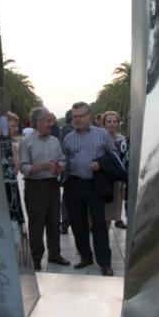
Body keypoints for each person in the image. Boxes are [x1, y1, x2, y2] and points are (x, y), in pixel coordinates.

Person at [63, 102, 118, 276]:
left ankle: (105, 263)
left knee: (99, 224)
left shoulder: (102, 135)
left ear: (89, 116)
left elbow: (114, 155)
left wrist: (100, 164)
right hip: (73, 183)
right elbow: (65, 159)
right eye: (75, 116)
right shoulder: (68, 138)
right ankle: (86, 257)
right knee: (78, 223)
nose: (77, 119)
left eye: (81, 116)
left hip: (94, 184)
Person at [19, 107, 70, 271]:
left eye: (52, 120)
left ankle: (55, 255)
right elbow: (24, 168)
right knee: (36, 224)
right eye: (48, 120)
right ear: (38, 122)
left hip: (53, 186)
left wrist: (59, 167)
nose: (51, 123)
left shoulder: (55, 141)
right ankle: (36, 258)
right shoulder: (26, 142)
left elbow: (62, 160)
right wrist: (43, 166)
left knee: (54, 222)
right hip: (35, 187)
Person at [101, 111, 127, 230]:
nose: (112, 124)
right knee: (100, 214)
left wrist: (124, 182)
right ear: (104, 123)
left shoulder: (121, 139)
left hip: (116, 181)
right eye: (109, 121)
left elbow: (124, 160)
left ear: (118, 123)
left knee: (112, 212)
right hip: (101, 179)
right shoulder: (99, 138)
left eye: (114, 121)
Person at [59, 110, 74, 235]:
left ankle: (65, 223)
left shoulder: (64, 129)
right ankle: (65, 223)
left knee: (67, 197)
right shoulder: (68, 130)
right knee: (68, 197)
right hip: (70, 170)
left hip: (69, 170)